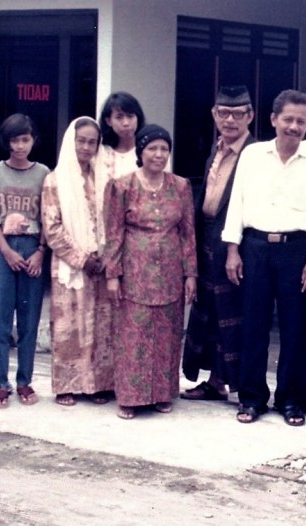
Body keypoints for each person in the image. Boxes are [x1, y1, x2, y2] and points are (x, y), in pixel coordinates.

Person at [221, 89, 306, 426]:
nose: (294, 126)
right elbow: (237, 202)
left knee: (295, 327)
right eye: (288, 119)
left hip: (296, 250)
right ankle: (251, 398)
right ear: (273, 119)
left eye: (300, 121)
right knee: (253, 325)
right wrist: (232, 249)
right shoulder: (253, 155)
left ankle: (290, 399)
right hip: (255, 247)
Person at [104, 124, 197, 420]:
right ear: (141, 152)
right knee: (133, 334)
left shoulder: (180, 186)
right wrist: (112, 275)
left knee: (167, 334)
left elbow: (188, 233)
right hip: (135, 272)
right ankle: (130, 398)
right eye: (152, 148)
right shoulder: (122, 186)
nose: (159, 154)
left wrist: (191, 274)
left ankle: (161, 394)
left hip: (170, 273)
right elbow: (114, 233)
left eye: (164, 149)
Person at [181, 85, 254, 403]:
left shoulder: (255, 154)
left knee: (230, 315)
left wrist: (235, 248)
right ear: (214, 114)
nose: (230, 120)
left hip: (236, 244)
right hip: (208, 236)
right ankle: (214, 382)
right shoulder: (216, 149)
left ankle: (231, 381)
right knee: (208, 312)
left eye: (238, 114)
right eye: (224, 113)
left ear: (250, 116)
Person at [41, 117, 115, 406]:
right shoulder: (55, 180)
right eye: (81, 141)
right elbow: (52, 228)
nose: (86, 147)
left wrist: (104, 256)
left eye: (92, 142)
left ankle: (97, 385)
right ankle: (67, 386)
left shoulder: (104, 179)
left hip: (101, 262)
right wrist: (82, 259)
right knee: (69, 326)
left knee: (100, 325)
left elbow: (111, 219)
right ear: (70, 142)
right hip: (70, 263)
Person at [0, 114, 50, 408]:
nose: (20, 146)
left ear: (33, 140)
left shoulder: (44, 173)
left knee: (29, 319)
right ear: (6, 141)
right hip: (2, 248)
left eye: (25, 139)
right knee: (0, 318)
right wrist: (6, 251)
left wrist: (41, 251)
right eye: (14, 140)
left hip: (33, 247)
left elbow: (49, 216)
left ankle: (24, 381)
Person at [99, 92, 146, 182]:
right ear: (108, 121)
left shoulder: (149, 151)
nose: (126, 123)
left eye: (130, 116)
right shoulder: (101, 153)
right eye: (119, 117)